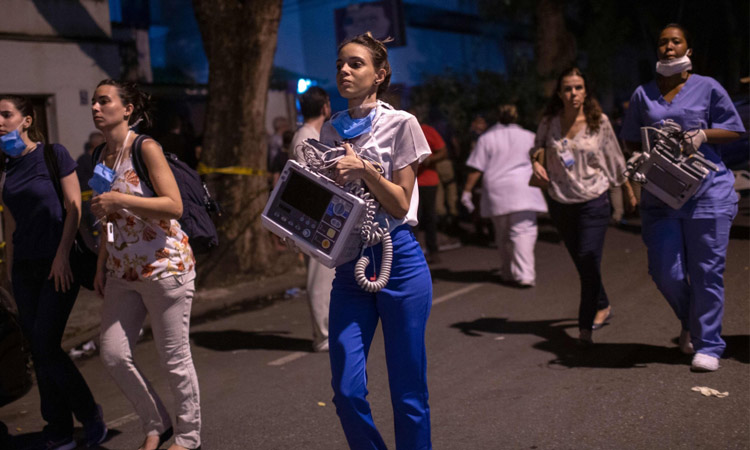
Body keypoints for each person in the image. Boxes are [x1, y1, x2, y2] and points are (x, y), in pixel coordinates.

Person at [320, 32, 433, 449]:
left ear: (379, 74)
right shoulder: (330, 130)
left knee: (408, 392)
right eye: (340, 65)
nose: (344, 71)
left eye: (355, 64)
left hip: (398, 259)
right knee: (346, 390)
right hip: (350, 264)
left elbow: (401, 204)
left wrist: (365, 169)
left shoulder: (401, 124)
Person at [620, 24, 745, 372]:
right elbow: (630, 138)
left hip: (708, 191)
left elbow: (735, 129)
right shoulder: (644, 94)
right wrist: (634, 158)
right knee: (665, 271)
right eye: (663, 42)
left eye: (676, 41)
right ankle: (692, 320)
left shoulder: (707, 87)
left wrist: (704, 134)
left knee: (706, 271)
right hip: (660, 195)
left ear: (687, 49)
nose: (669, 47)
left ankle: (709, 345)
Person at [89, 80, 201, 450]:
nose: (95, 107)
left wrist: (118, 199)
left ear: (127, 109)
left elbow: (174, 206)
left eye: (104, 101)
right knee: (113, 353)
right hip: (123, 271)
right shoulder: (99, 155)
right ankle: (157, 423)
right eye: (93, 102)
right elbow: (109, 218)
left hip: (165, 268)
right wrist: (103, 262)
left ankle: (188, 437)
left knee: (174, 358)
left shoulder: (145, 147)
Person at [0, 95, 107, 450]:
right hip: (25, 271)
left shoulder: (53, 154)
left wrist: (61, 255)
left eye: (6, 114)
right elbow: (10, 226)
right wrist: (10, 277)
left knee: (46, 344)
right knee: (38, 347)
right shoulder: (5, 169)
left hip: (58, 263)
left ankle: (90, 414)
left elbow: (74, 206)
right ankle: (58, 427)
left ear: (26, 120)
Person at [530, 67, 636, 344]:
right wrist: (536, 164)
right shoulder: (550, 122)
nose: (573, 93)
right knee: (582, 263)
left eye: (578, 87)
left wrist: (627, 190)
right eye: (567, 88)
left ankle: (584, 327)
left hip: (593, 201)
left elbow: (614, 158)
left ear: (586, 91)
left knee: (589, 258)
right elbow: (537, 147)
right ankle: (602, 303)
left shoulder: (598, 121)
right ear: (559, 92)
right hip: (560, 201)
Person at [462, 104, 547, 287]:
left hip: (497, 191)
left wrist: (467, 190)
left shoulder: (487, 138)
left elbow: (477, 168)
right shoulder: (529, 137)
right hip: (524, 190)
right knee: (523, 232)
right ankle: (525, 274)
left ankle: (508, 271)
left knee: (502, 235)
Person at [290, 86, 335, 352]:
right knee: (320, 277)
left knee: (327, 276)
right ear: (325, 108)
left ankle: (328, 330)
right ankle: (323, 334)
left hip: (321, 214)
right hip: (313, 215)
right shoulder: (305, 138)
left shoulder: (312, 135)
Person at [411, 107, 447, 264]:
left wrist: (430, 160)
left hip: (428, 182)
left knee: (430, 217)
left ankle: (433, 250)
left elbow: (443, 151)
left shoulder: (427, 131)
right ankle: (413, 253)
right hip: (410, 183)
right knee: (413, 218)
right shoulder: (401, 132)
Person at [77, 131, 105, 254]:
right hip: (89, 201)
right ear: (95, 144)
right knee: (95, 231)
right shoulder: (86, 161)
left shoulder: (99, 159)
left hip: (95, 199)